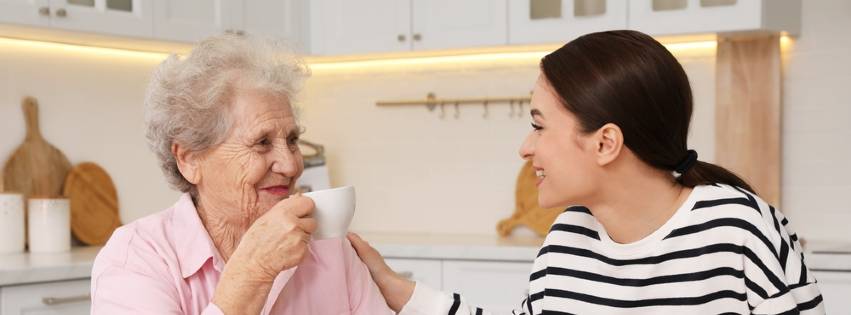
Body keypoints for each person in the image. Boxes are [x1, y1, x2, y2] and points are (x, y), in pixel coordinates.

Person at [348, 30, 825, 314]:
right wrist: (398, 290)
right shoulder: (568, 240)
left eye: (539, 126)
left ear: (605, 143)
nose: (525, 147)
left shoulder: (738, 230)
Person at [90, 34, 393, 314]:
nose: (290, 165)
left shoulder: (329, 247)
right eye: (262, 143)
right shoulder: (137, 258)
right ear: (189, 159)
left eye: (291, 140)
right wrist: (253, 273)